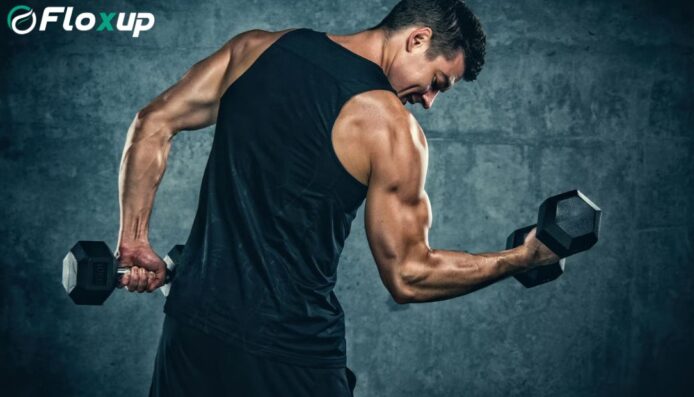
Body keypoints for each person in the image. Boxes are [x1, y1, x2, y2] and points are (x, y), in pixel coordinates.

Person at [115, 0, 559, 395]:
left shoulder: (254, 49)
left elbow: (152, 122)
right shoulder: (390, 127)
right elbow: (409, 275)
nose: (428, 101)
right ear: (417, 38)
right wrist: (519, 258)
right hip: (287, 353)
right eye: (437, 82)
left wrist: (134, 239)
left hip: (190, 331)